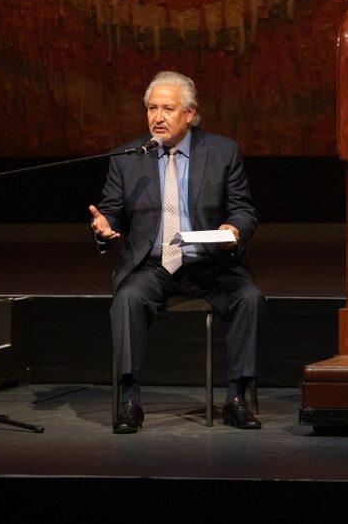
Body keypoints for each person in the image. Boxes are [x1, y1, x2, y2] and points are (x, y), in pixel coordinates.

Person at [89, 70, 263, 434]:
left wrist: (234, 228)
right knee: (127, 299)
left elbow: (244, 209)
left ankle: (236, 397)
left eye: (168, 108)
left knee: (249, 297)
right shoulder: (127, 157)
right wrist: (103, 230)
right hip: (151, 267)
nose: (157, 117)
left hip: (208, 266)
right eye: (151, 108)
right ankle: (130, 400)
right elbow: (110, 212)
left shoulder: (221, 152)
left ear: (190, 113)